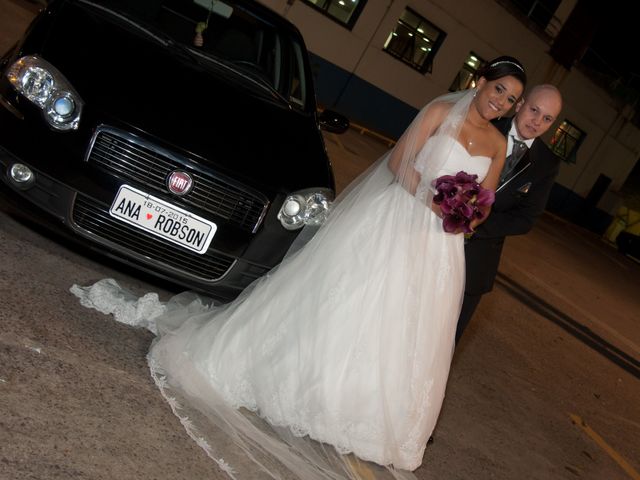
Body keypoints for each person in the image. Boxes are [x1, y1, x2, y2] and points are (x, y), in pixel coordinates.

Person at [72, 56, 526, 479]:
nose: (500, 102)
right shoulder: (439, 112)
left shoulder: (496, 143)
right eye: (498, 89)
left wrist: (465, 213)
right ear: (480, 81)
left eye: (509, 100)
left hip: (439, 245)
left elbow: (484, 201)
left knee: (409, 326)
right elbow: (399, 161)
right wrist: (431, 196)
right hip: (398, 216)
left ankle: (365, 414)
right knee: (350, 298)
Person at [455, 84, 563, 343]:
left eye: (547, 119)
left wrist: (475, 221)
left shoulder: (547, 164)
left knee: (448, 340)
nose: (536, 122)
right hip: (435, 235)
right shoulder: (487, 125)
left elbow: (526, 219)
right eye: (533, 110)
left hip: (478, 259)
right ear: (520, 104)